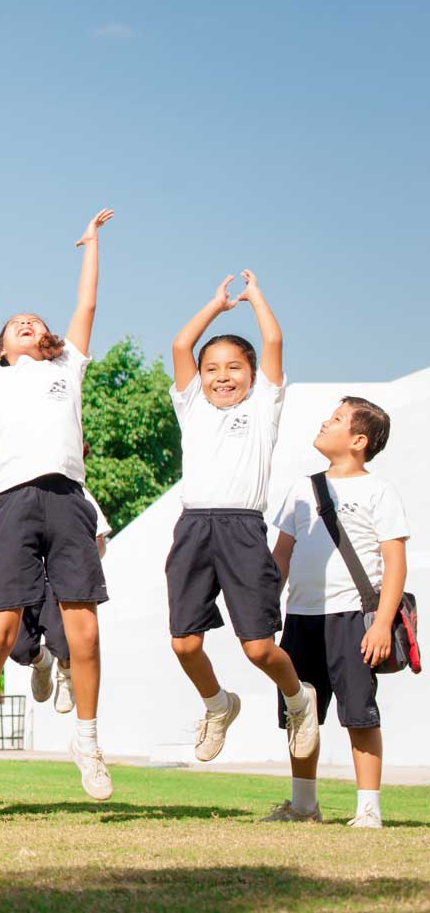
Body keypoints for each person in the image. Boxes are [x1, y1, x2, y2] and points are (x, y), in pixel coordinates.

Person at [0, 211, 116, 801]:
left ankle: (86, 740)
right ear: (4, 348)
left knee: (83, 632)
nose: (29, 324)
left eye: (35, 322)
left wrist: (90, 248)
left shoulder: (68, 367)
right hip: (12, 502)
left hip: (66, 498)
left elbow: (85, 308)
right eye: (16, 325)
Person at [166, 272, 315, 763]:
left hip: (243, 530)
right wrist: (214, 305)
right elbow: (181, 343)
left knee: (257, 649)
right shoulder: (192, 407)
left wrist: (255, 299)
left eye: (233, 367)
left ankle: (298, 698)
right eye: (212, 369)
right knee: (185, 644)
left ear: (253, 376)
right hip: (193, 529)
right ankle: (217, 705)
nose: (222, 376)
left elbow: (272, 339)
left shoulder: (263, 407)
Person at [263, 398, 408, 829]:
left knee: (359, 714)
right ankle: (303, 805)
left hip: (353, 619)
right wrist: (267, 610)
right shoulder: (300, 488)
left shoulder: (379, 491)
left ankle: (369, 809)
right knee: (300, 712)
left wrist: (382, 622)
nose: (326, 422)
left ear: (359, 440)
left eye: (338, 419)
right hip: (301, 618)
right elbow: (281, 556)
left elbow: (395, 562)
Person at [0, 484, 111, 715]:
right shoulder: (9, 483)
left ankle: (66, 670)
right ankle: (42, 662)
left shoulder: (75, 490)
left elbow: (99, 540)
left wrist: (76, 570)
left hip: (56, 581)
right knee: (17, 648)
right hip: (22, 580)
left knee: (65, 641)